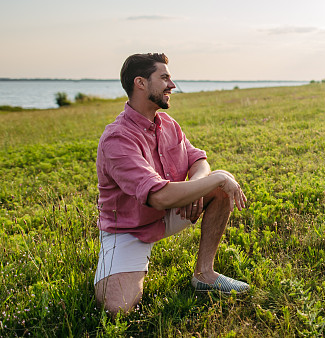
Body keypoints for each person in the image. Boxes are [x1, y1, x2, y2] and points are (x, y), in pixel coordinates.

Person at [94, 53, 249, 314]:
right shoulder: (117, 138)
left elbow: (198, 160)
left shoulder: (167, 124)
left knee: (219, 184)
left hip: (169, 213)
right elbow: (159, 197)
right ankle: (119, 267)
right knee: (118, 308)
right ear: (140, 83)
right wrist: (215, 179)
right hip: (129, 229)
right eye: (164, 78)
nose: (172, 85)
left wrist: (197, 187)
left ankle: (205, 274)